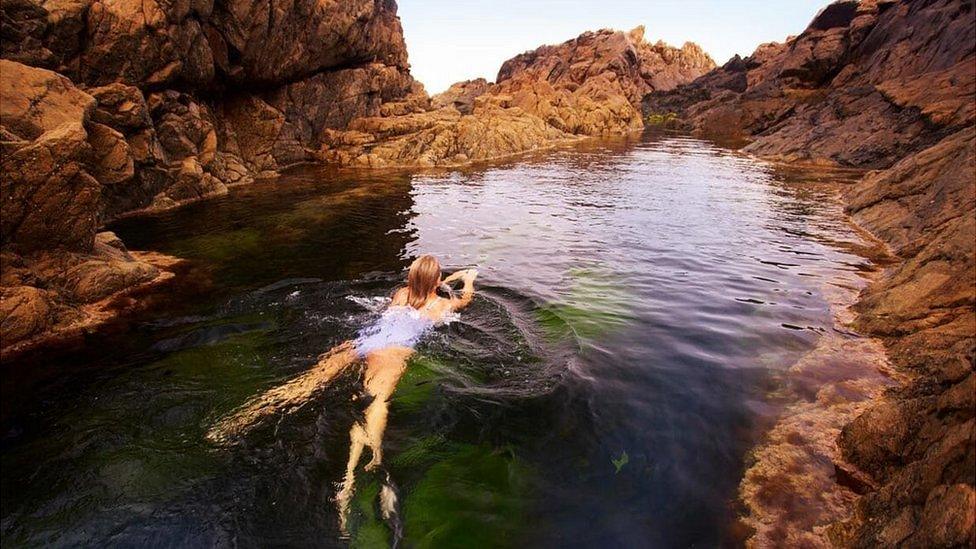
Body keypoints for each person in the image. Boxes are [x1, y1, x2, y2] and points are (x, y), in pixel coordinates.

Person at [206, 255, 478, 531]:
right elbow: (466, 297)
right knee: (375, 404)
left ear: (412, 278)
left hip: (364, 340)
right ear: (435, 281)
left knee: (303, 384)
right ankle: (357, 473)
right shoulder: (442, 305)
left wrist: (436, 279)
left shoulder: (401, 294)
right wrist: (466, 278)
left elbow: (420, 289)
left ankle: (236, 421)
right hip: (391, 353)